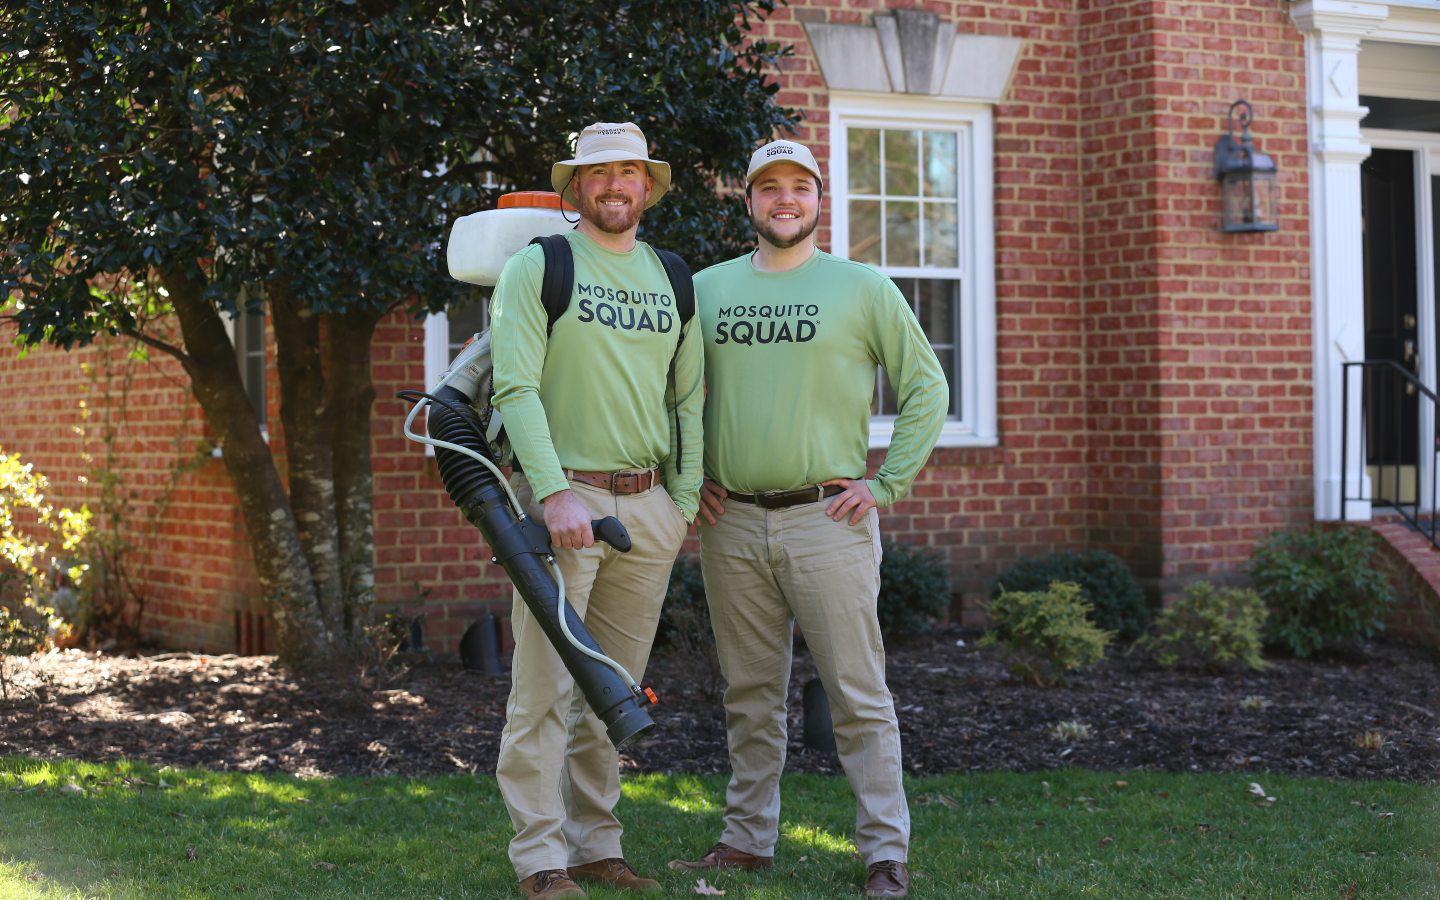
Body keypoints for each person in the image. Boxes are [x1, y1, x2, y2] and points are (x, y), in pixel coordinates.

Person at [670, 139, 947, 898]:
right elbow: (671, 393)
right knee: (749, 694)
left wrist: (885, 485)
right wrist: (687, 480)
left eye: (799, 187)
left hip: (828, 519)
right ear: (749, 202)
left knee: (858, 693)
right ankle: (747, 840)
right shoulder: (706, 289)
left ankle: (885, 855)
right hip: (731, 523)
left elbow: (926, 385)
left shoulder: (860, 288)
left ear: (819, 201)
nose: (783, 200)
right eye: (768, 188)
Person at [489, 121, 703, 898]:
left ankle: (597, 847)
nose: (616, 185)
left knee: (614, 688)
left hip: (648, 507)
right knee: (543, 689)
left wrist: (680, 502)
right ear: (576, 188)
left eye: (630, 172)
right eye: (599, 173)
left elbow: (690, 399)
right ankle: (541, 861)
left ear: (648, 186)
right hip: (565, 504)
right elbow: (514, 388)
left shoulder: (673, 276)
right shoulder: (538, 267)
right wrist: (551, 494)